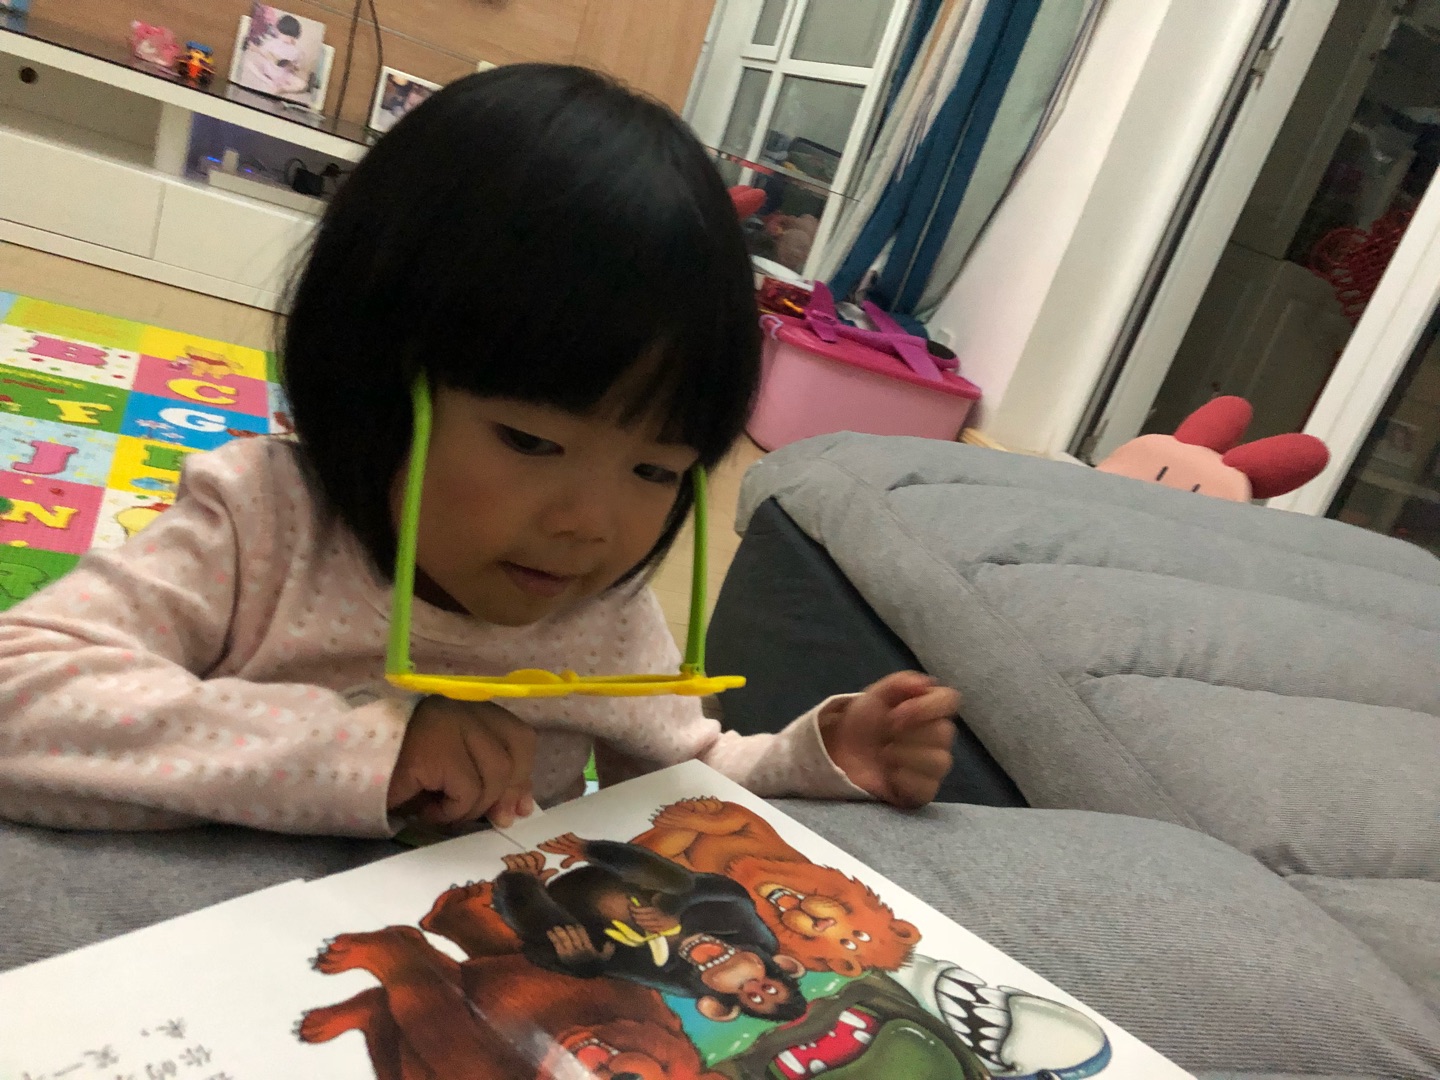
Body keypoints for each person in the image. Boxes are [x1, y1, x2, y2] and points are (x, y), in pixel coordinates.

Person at [0, 65, 958, 838]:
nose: (589, 525)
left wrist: (818, 756)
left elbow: (682, 776)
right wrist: (372, 750)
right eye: (532, 440)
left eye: (655, 471)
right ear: (375, 377)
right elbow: (21, 692)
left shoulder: (604, 613)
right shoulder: (263, 523)